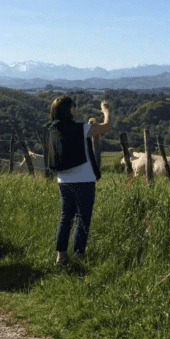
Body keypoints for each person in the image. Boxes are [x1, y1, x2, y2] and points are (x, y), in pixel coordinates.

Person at [48, 96, 111, 265]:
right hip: (84, 179)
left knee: (65, 218)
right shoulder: (81, 128)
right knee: (82, 218)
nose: (75, 110)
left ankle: (60, 256)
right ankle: (78, 254)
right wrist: (106, 111)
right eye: (73, 107)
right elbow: (106, 127)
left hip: (63, 179)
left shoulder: (53, 129)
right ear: (69, 110)